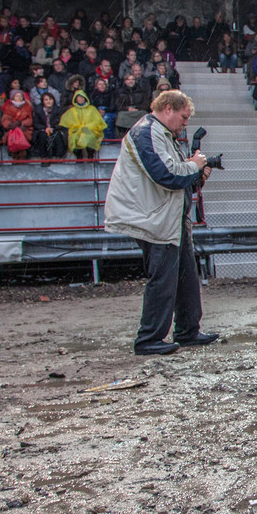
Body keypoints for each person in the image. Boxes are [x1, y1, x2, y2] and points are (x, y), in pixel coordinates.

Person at [104, 90, 218, 355]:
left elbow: (176, 175)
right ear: (168, 108)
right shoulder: (147, 133)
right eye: (184, 116)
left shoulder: (159, 134)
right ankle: (149, 338)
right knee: (164, 278)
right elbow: (167, 176)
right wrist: (194, 166)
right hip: (155, 219)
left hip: (168, 217)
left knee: (185, 275)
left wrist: (196, 172)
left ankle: (187, 330)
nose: (186, 123)